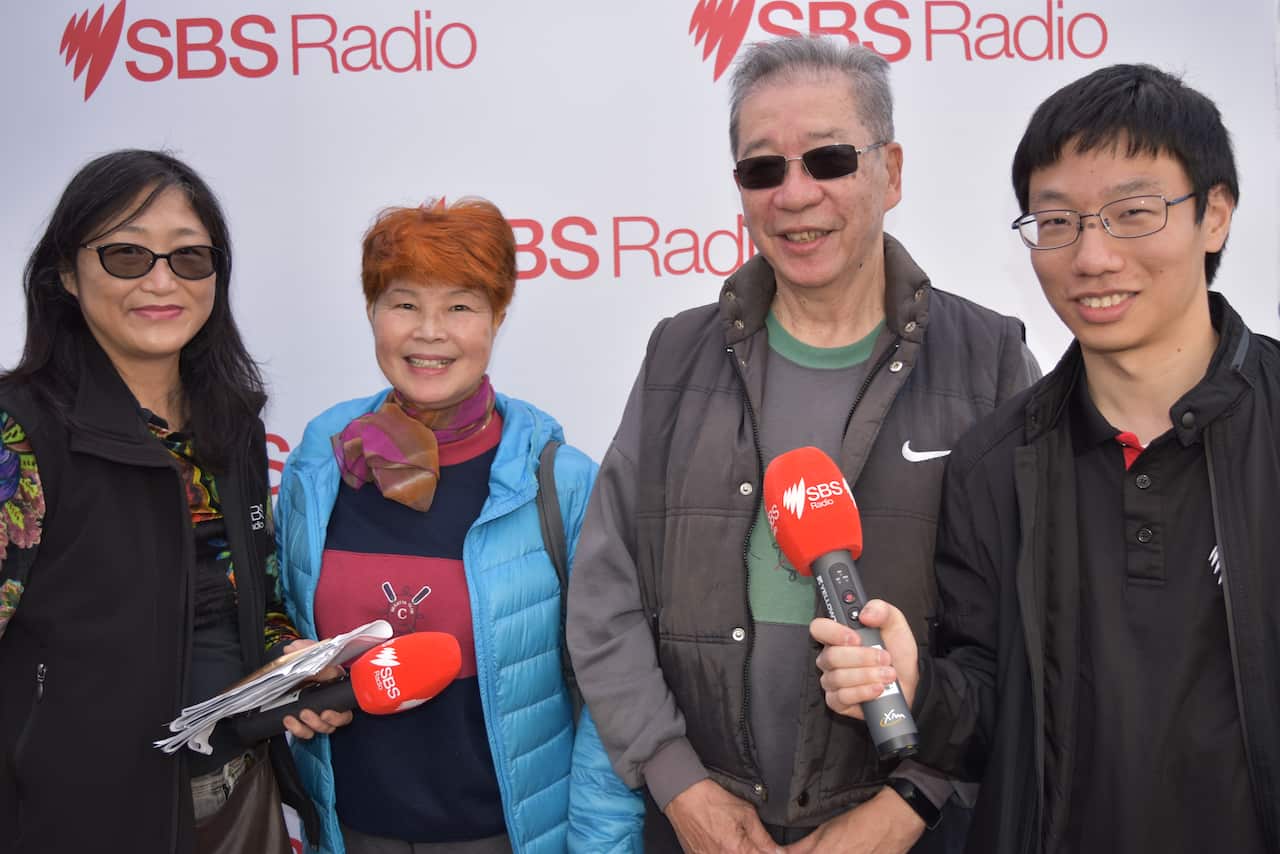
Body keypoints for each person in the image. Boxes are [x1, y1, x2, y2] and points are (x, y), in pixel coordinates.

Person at [567, 36, 1039, 854]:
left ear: (890, 172)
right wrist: (680, 789)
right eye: (763, 169)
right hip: (703, 828)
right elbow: (604, 595)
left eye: (828, 159)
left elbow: (1034, 623)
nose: (795, 194)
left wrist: (910, 807)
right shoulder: (677, 354)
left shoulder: (990, 360)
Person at [812, 64, 1280, 853]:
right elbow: (990, 715)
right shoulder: (995, 462)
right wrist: (915, 684)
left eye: (1133, 212)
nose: (1091, 257)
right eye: (1056, 221)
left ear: (1216, 216)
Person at [275, 197, 644, 854]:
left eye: (461, 306)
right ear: (372, 314)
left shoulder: (559, 482)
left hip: (505, 839)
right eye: (405, 303)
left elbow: (609, 694)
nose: (429, 332)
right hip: (349, 833)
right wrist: (300, 675)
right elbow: (282, 620)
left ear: (498, 318)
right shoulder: (320, 458)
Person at [0, 149, 342, 854]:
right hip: (82, 820)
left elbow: (252, 599)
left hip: (242, 796)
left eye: (190, 259)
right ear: (65, 272)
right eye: (127, 254)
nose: (162, 281)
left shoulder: (233, 422)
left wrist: (296, 665)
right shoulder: (21, 433)